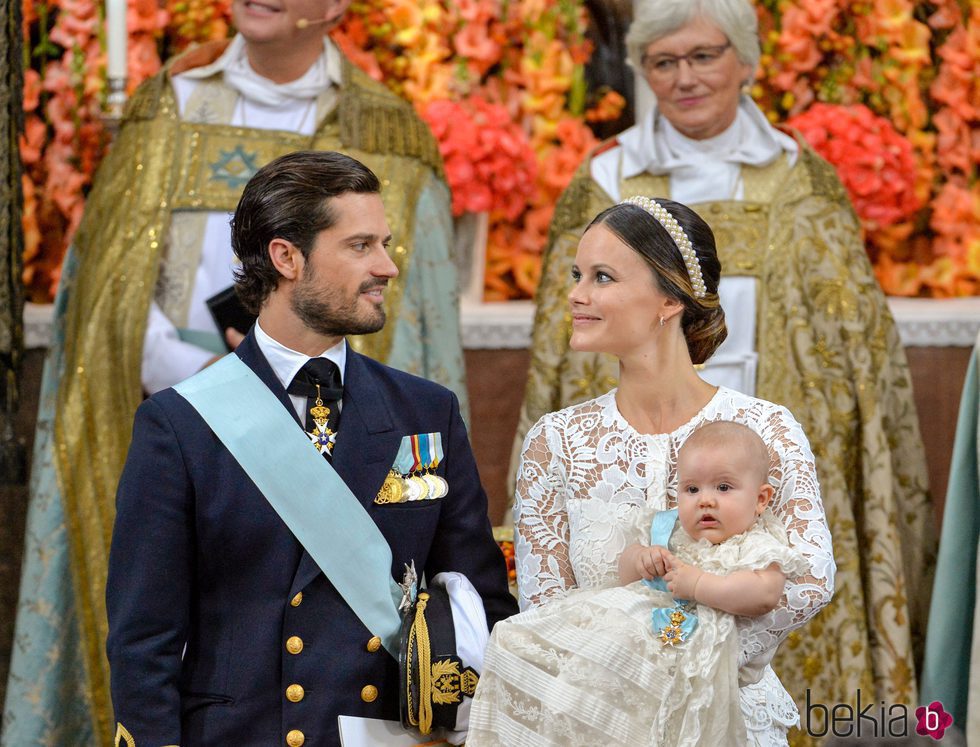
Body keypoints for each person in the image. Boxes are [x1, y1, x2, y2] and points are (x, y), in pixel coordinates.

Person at [2, 2, 465, 742]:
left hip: (345, 429)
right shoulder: (169, 106)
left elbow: (413, 315)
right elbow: (107, 295)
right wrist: (223, 383)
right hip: (187, 410)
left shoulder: (388, 130)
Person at [512, 0, 933, 720]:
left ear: (747, 62)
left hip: (752, 441)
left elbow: (849, 341)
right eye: (664, 62)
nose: (686, 78)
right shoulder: (602, 181)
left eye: (704, 56)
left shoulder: (801, 179)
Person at [103, 150, 517, 746]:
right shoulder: (181, 425)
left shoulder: (426, 412)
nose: (387, 267)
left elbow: (477, 597)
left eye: (385, 243)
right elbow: (145, 637)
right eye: (360, 246)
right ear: (286, 257)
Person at [498, 197, 834, 744]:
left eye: (602, 277)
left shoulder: (766, 428)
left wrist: (695, 659)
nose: (576, 294)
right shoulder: (555, 443)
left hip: (732, 715)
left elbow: (810, 582)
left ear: (668, 300)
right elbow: (546, 611)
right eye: (577, 275)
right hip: (597, 722)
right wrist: (634, 678)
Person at [469, 419, 811, 745]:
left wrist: (699, 585)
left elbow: (765, 593)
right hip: (625, 641)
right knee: (519, 639)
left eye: (723, 487)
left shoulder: (757, 544)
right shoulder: (671, 529)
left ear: (761, 499)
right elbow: (624, 574)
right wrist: (641, 560)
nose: (705, 500)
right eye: (692, 488)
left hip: (678, 660)